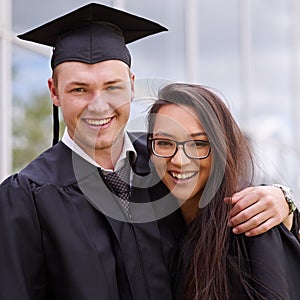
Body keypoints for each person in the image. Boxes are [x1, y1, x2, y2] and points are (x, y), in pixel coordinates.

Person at [0, 3, 295, 300]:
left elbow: (227, 209)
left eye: (112, 87)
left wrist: (283, 203)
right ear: (54, 91)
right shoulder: (27, 198)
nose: (99, 105)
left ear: (130, 85)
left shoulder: (167, 161)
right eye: (80, 90)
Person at [147, 82, 300, 299]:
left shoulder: (249, 221)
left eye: (198, 144)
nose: (179, 160)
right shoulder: (155, 227)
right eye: (164, 143)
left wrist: (287, 202)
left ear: (221, 147)